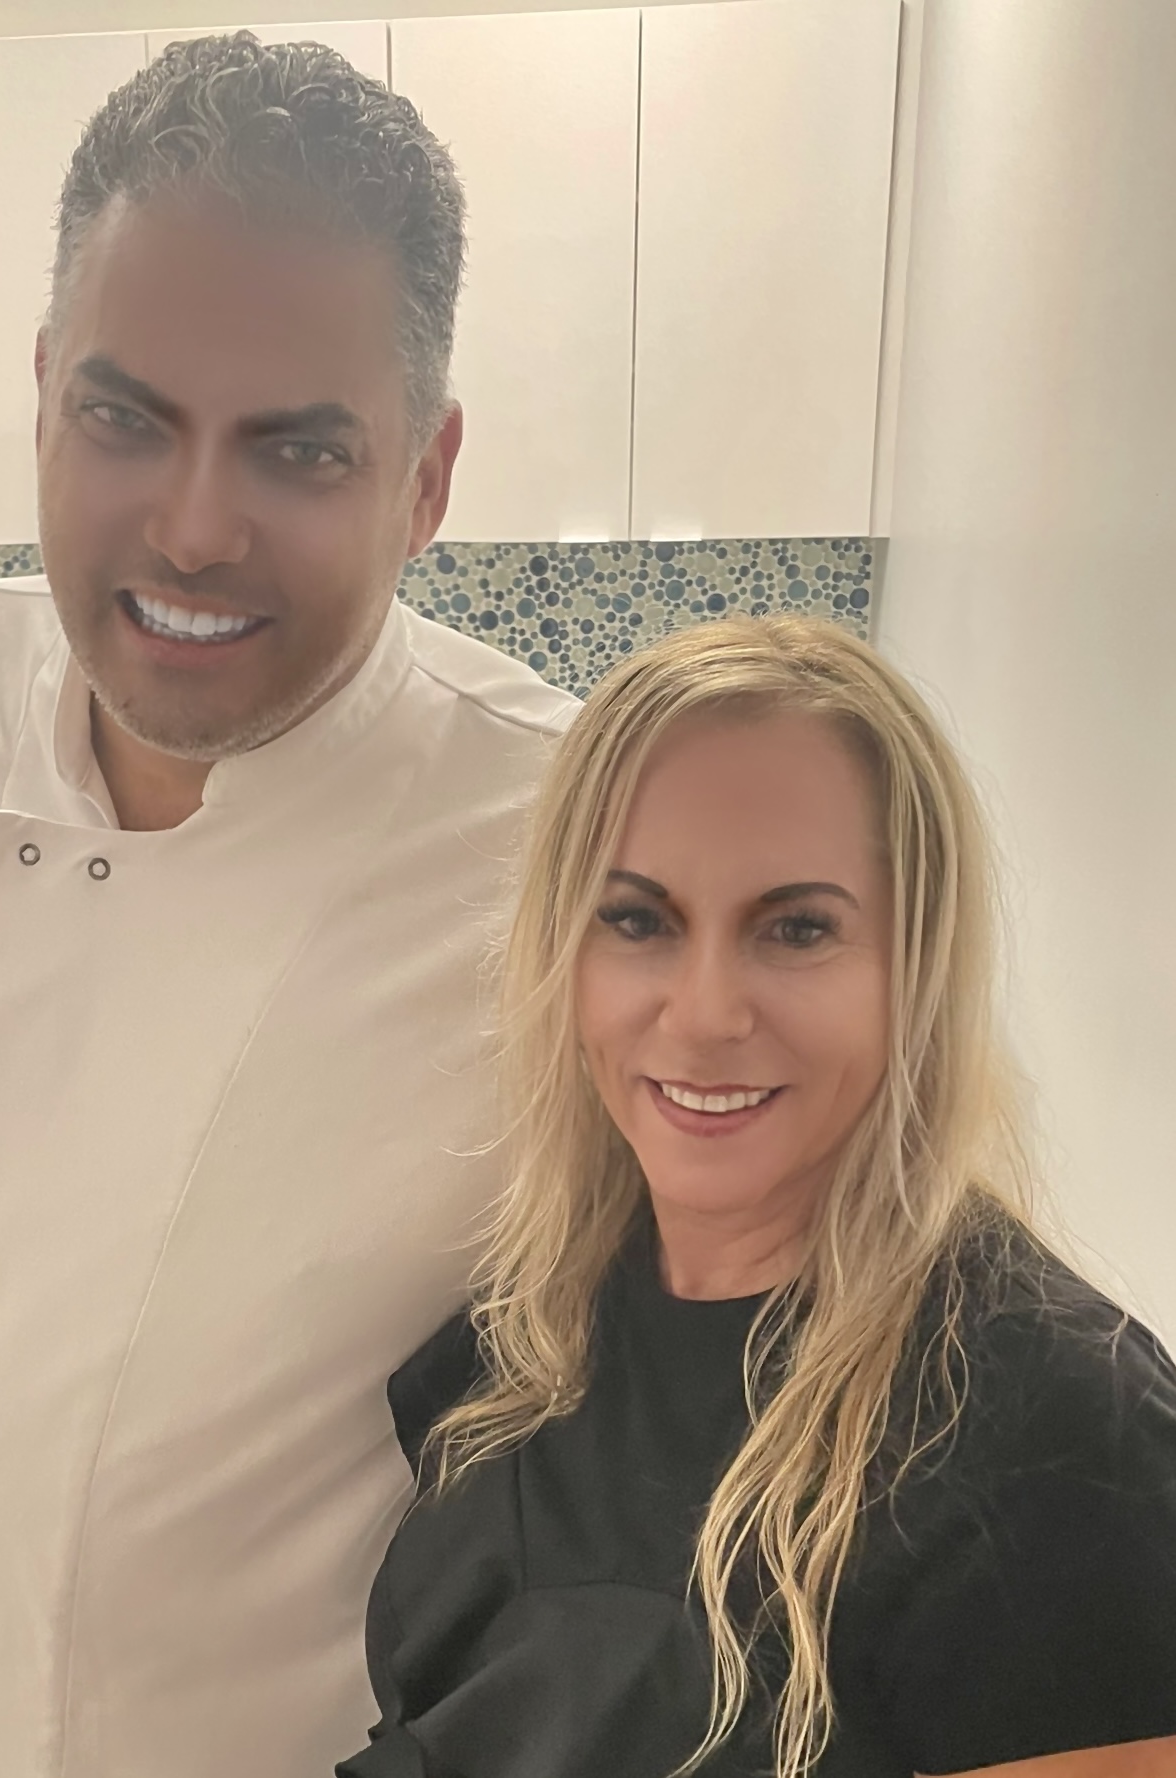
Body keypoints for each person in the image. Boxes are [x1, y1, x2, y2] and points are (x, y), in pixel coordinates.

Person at [0, 34, 575, 1777]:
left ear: (427, 477)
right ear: (45, 389)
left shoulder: (564, 835)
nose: (194, 527)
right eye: (127, 418)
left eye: (299, 451)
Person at [340, 615, 1176, 1778]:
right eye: (636, 919)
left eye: (795, 928)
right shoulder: (524, 1336)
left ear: (910, 965)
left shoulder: (1059, 1432)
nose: (703, 1012)